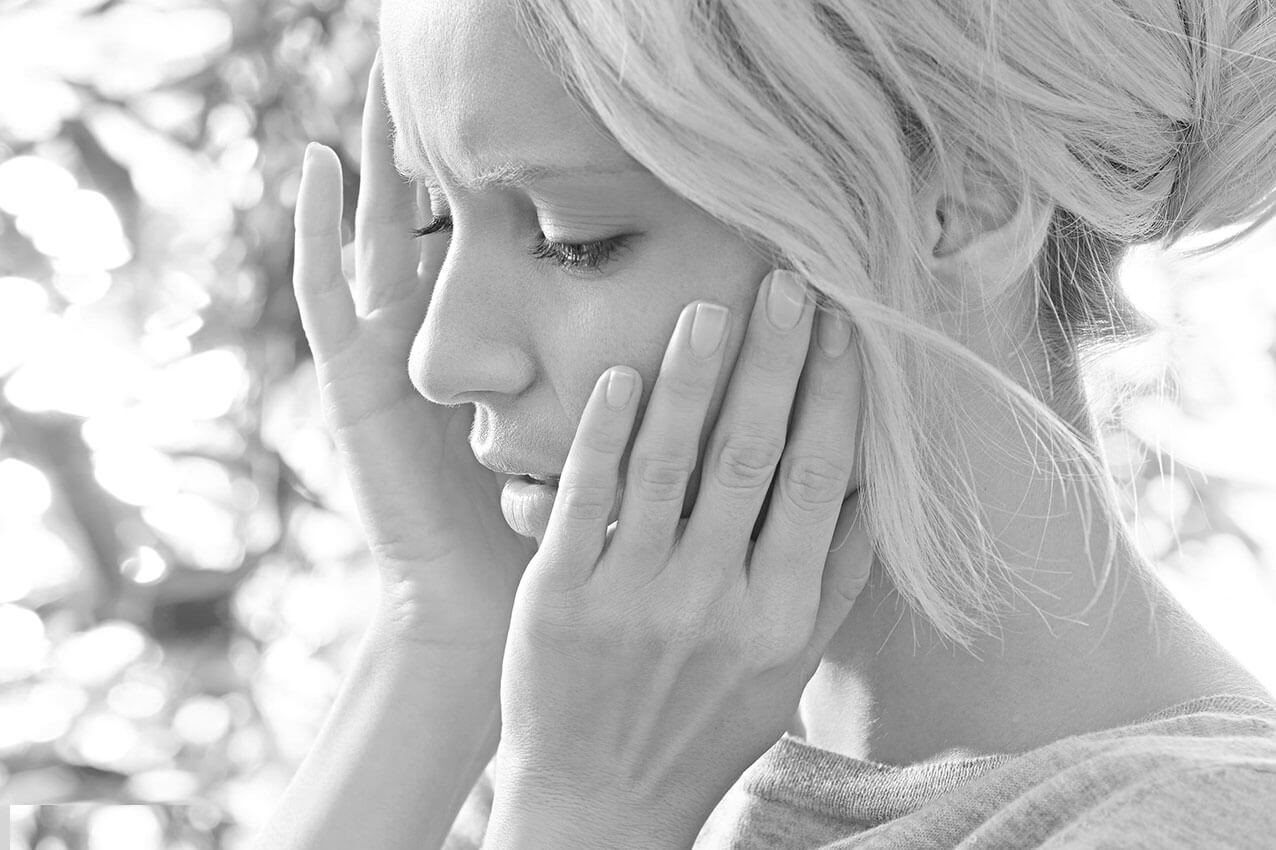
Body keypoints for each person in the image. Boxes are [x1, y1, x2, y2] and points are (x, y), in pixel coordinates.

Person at [250, 0, 1276, 847]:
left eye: (573, 237)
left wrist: (584, 814)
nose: (441, 359)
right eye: (437, 216)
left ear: (966, 202)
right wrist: (443, 624)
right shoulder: (654, 765)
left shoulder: (1198, 824)